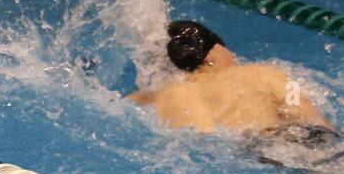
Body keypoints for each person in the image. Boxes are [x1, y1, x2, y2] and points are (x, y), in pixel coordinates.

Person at [130, 20, 335, 152]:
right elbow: (312, 119)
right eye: (225, 49)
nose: (232, 55)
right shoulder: (263, 73)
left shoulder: (163, 96)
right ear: (210, 55)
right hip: (275, 147)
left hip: (225, 153)